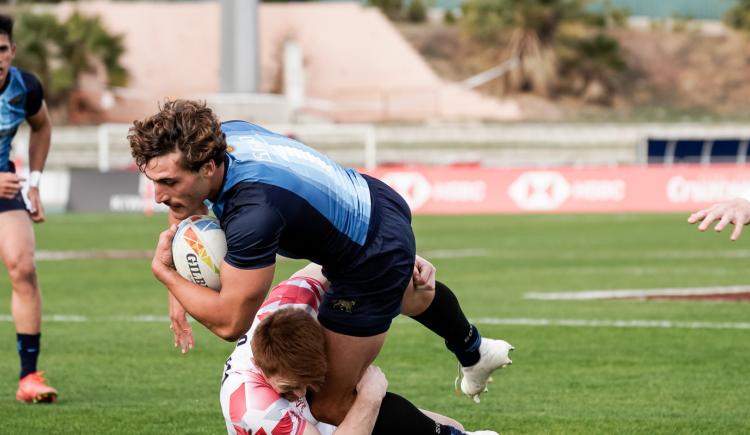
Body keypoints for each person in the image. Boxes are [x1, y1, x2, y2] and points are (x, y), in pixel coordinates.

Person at [129, 100, 512, 427]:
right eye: (153, 181)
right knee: (403, 294)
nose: (159, 195)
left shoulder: (253, 214)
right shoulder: (226, 135)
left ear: (207, 168)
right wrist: (180, 276)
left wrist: (164, 273)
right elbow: (187, 204)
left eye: (169, 182)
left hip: (368, 253)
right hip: (373, 202)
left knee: (330, 404)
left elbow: (231, 321)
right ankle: (474, 350)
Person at [221, 263, 497, 435]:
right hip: (292, 429)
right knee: (361, 402)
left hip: (319, 418)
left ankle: (471, 347)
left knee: (456, 428)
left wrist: (400, 259)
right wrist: (371, 397)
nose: (298, 394)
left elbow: (335, 261)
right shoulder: (255, 406)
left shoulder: (295, 299)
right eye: (288, 388)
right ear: (263, 367)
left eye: (306, 383)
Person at [0, 14, 57, 403]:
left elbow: (42, 127)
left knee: (23, 267)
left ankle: (29, 378)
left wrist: (34, 182)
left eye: (1, 49)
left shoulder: (24, 88)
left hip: (6, 184)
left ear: (12, 51)